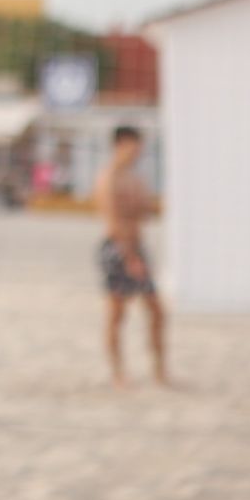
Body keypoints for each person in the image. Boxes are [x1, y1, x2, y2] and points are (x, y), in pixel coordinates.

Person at [92, 125, 169, 387]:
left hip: (137, 248)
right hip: (118, 248)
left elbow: (146, 212)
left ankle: (159, 370)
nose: (138, 152)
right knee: (117, 313)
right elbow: (113, 221)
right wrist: (129, 257)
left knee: (157, 311)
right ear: (121, 144)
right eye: (135, 146)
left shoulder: (135, 178)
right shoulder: (109, 177)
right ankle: (118, 373)